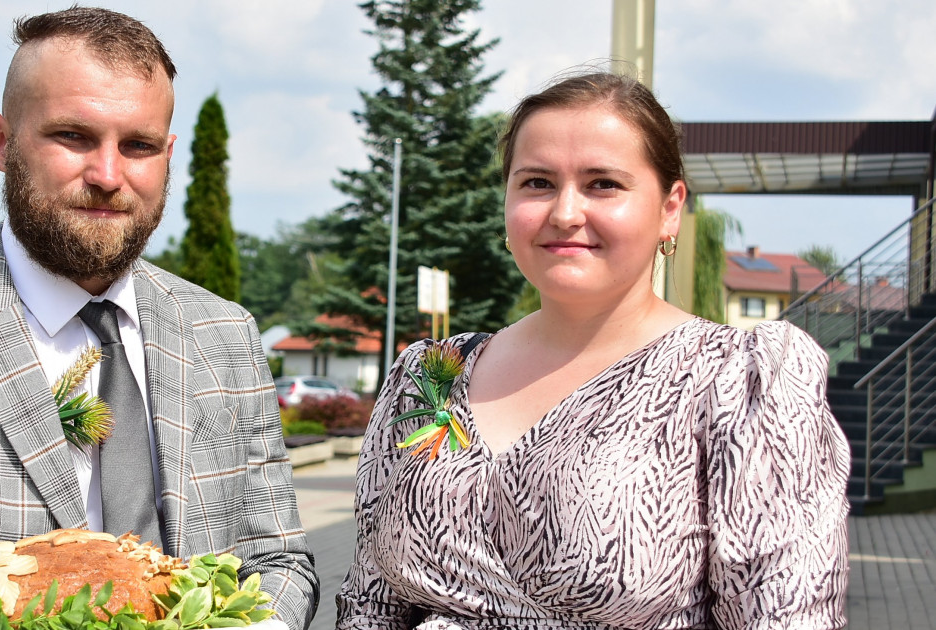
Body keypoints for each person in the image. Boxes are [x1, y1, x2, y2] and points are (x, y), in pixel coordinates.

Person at [0, 7, 317, 630]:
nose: (107, 175)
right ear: (1, 141)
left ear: (168, 153)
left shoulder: (225, 333)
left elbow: (279, 561)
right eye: (73, 136)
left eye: (139, 146)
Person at [336, 72, 850, 630]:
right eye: (536, 182)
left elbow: (782, 616)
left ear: (669, 208)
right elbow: (369, 602)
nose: (565, 212)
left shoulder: (737, 381)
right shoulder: (433, 378)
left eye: (603, 183)